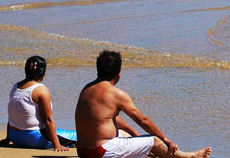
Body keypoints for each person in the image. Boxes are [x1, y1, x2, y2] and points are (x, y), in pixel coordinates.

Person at [74, 50, 211, 158]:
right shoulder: (116, 94)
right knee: (153, 141)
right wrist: (165, 139)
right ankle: (187, 156)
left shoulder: (87, 89)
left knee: (125, 135)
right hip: (101, 153)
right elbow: (143, 120)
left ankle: (150, 151)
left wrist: (134, 134)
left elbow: (108, 118)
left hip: (83, 151)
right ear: (118, 74)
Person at [7, 55, 75, 152]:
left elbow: (13, 113)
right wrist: (57, 145)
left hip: (14, 136)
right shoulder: (41, 90)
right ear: (44, 73)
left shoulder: (16, 86)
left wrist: (7, 138)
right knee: (80, 137)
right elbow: (48, 119)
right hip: (33, 138)